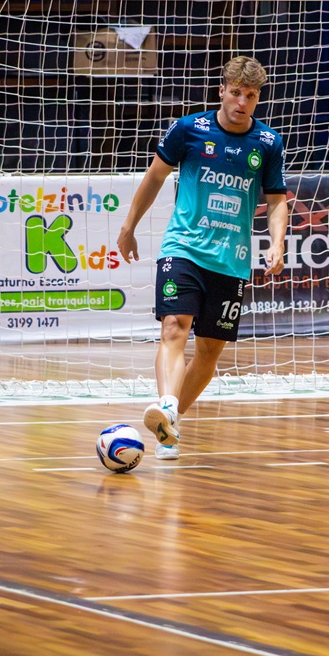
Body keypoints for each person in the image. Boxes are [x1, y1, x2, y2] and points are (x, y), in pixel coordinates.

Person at [117, 56, 288, 461]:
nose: (242, 102)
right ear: (221, 90)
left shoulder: (268, 143)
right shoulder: (189, 129)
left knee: (209, 352)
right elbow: (155, 176)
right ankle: (167, 404)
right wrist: (128, 226)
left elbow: (277, 200)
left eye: (250, 96)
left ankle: (169, 424)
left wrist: (277, 243)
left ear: (257, 98)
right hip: (184, 248)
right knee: (174, 328)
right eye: (236, 92)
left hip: (231, 260)